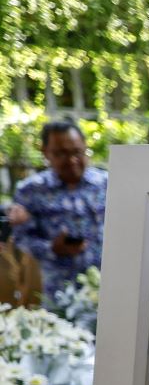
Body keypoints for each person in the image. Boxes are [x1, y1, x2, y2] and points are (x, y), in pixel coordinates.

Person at [8, 119, 105, 299]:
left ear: (85, 146)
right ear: (45, 153)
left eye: (77, 152)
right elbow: (21, 239)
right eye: (61, 154)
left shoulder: (108, 184)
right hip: (59, 292)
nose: (72, 160)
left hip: (106, 288)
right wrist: (51, 248)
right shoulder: (31, 191)